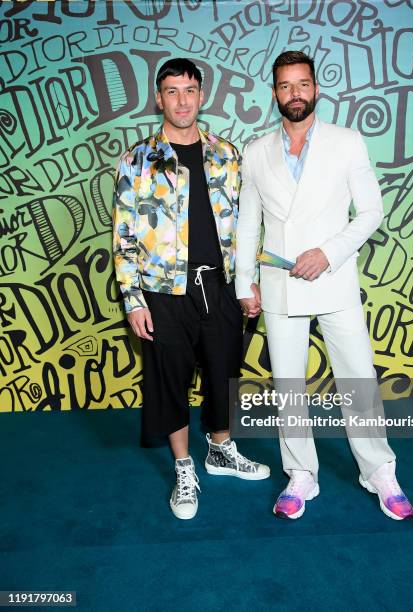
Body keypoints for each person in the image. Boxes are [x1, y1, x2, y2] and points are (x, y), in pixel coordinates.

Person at [235, 50, 413, 521]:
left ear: (316, 89)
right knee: (288, 385)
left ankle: (379, 470)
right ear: (274, 93)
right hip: (278, 285)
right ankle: (300, 474)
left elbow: (372, 212)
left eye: (302, 84)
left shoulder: (347, 141)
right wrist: (242, 284)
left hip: (333, 278)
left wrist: (329, 253)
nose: (295, 93)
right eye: (285, 85)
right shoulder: (255, 152)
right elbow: (247, 226)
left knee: (358, 380)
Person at [113, 57, 269, 521]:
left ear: (202, 95)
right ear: (159, 98)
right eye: (172, 91)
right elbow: (123, 235)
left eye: (190, 90)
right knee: (170, 380)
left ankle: (220, 450)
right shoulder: (137, 159)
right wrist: (133, 298)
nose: (182, 100)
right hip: (163, 291)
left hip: (218, 287)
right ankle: (184, 466)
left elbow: (247, 224)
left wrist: (247, 281)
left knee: (224, 373)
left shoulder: (227, 153)